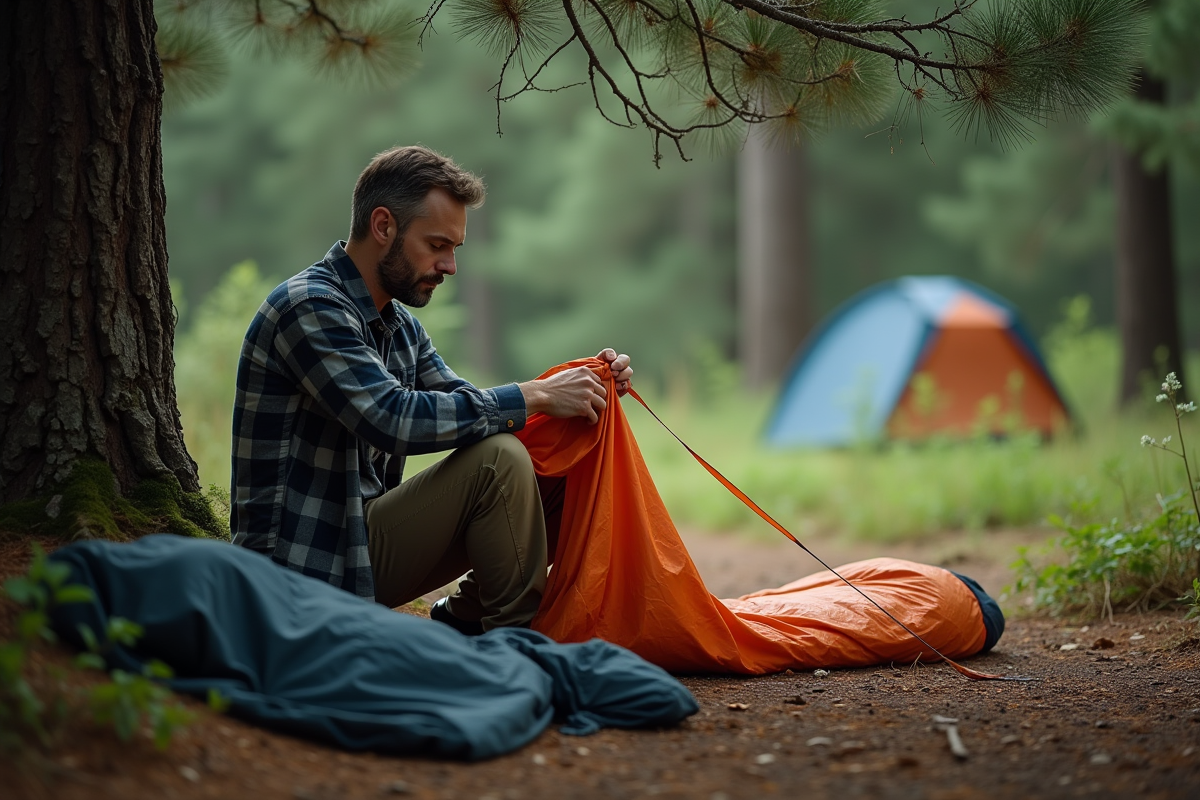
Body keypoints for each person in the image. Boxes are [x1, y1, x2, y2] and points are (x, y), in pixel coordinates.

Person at [231, 145, 633, 634]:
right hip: (301, 572)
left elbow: (469, 410)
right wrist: (538, 394)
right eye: (438, 245)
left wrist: (584, 388)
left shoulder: (399, 326)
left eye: (454, 249)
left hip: (360, 553)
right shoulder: (309, 307)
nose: (450, 266)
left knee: (564, 455)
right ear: (384, 226)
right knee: (499, 460)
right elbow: (393, 418)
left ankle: (466, 619)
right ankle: (514, 645)